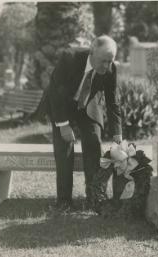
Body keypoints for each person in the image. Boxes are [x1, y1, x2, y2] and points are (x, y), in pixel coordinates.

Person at [46, 35, 122, 211]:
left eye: (110, 61)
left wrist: (117, 134)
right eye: (103, 61)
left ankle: (94, 198)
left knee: (94, 141)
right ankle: (64, 202)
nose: (107, 66)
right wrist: (63, 125)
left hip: (88, 107)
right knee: (64, 148)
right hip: (62, 106)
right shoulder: (69, 58)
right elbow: (55, 93)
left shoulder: (111, 67)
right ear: (92, 52)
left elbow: (113, 101)